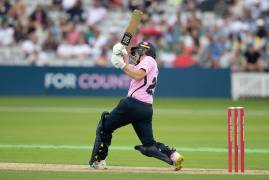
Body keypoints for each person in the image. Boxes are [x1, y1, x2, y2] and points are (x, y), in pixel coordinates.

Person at [89, 41, 184, 171]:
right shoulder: (149, 64)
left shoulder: (149, 60)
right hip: (145, 109)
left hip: (131, 105)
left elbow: (138, 74)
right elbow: (133, 70)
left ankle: (98, 161)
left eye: (138, 51)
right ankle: (173, 155)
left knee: (104, 127)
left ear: (145, 51)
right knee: (149, 145)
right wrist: (123, 55)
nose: (136, 54)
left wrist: (121, 64)